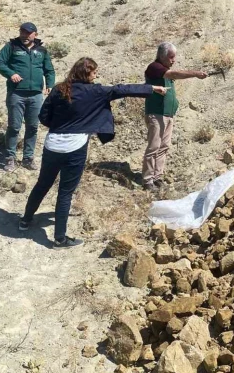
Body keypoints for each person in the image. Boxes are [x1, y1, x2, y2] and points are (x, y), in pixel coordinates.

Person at [19, 57, 167, 248]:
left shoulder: (59, 89)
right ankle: (59, 239)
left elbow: (43, 116)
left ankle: (25, 221)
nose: (96, 76)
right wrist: (151, 88)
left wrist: (59, 126)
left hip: (52, 144)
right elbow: (120, 89)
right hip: (75, 146)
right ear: (86, 73)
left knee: (42, 184)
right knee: (65, 192)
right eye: (94, 72)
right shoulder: (95, 91)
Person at [142, 42, 207, 191]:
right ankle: (147, 180)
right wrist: (196, 73)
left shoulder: (164, 70)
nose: (174, 60)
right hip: (156, 113)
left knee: (164, 147)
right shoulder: (155, 67)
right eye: (171, 57)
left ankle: (157, 177)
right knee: (154, 146)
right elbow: (175, 74)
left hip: (167, 115)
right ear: (162, 56)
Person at [0, 22, 56, 172]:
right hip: (16, 94)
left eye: (28, 33)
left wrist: (50, 84)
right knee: (14, 127)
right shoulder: (12, 46)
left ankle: (28, 158)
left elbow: (49, 70)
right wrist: (11, 74)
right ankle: (10, 158)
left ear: (35, 34)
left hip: (36, 95)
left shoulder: (41, 50)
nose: (25, 36)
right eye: (22, 32)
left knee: (33, 127)